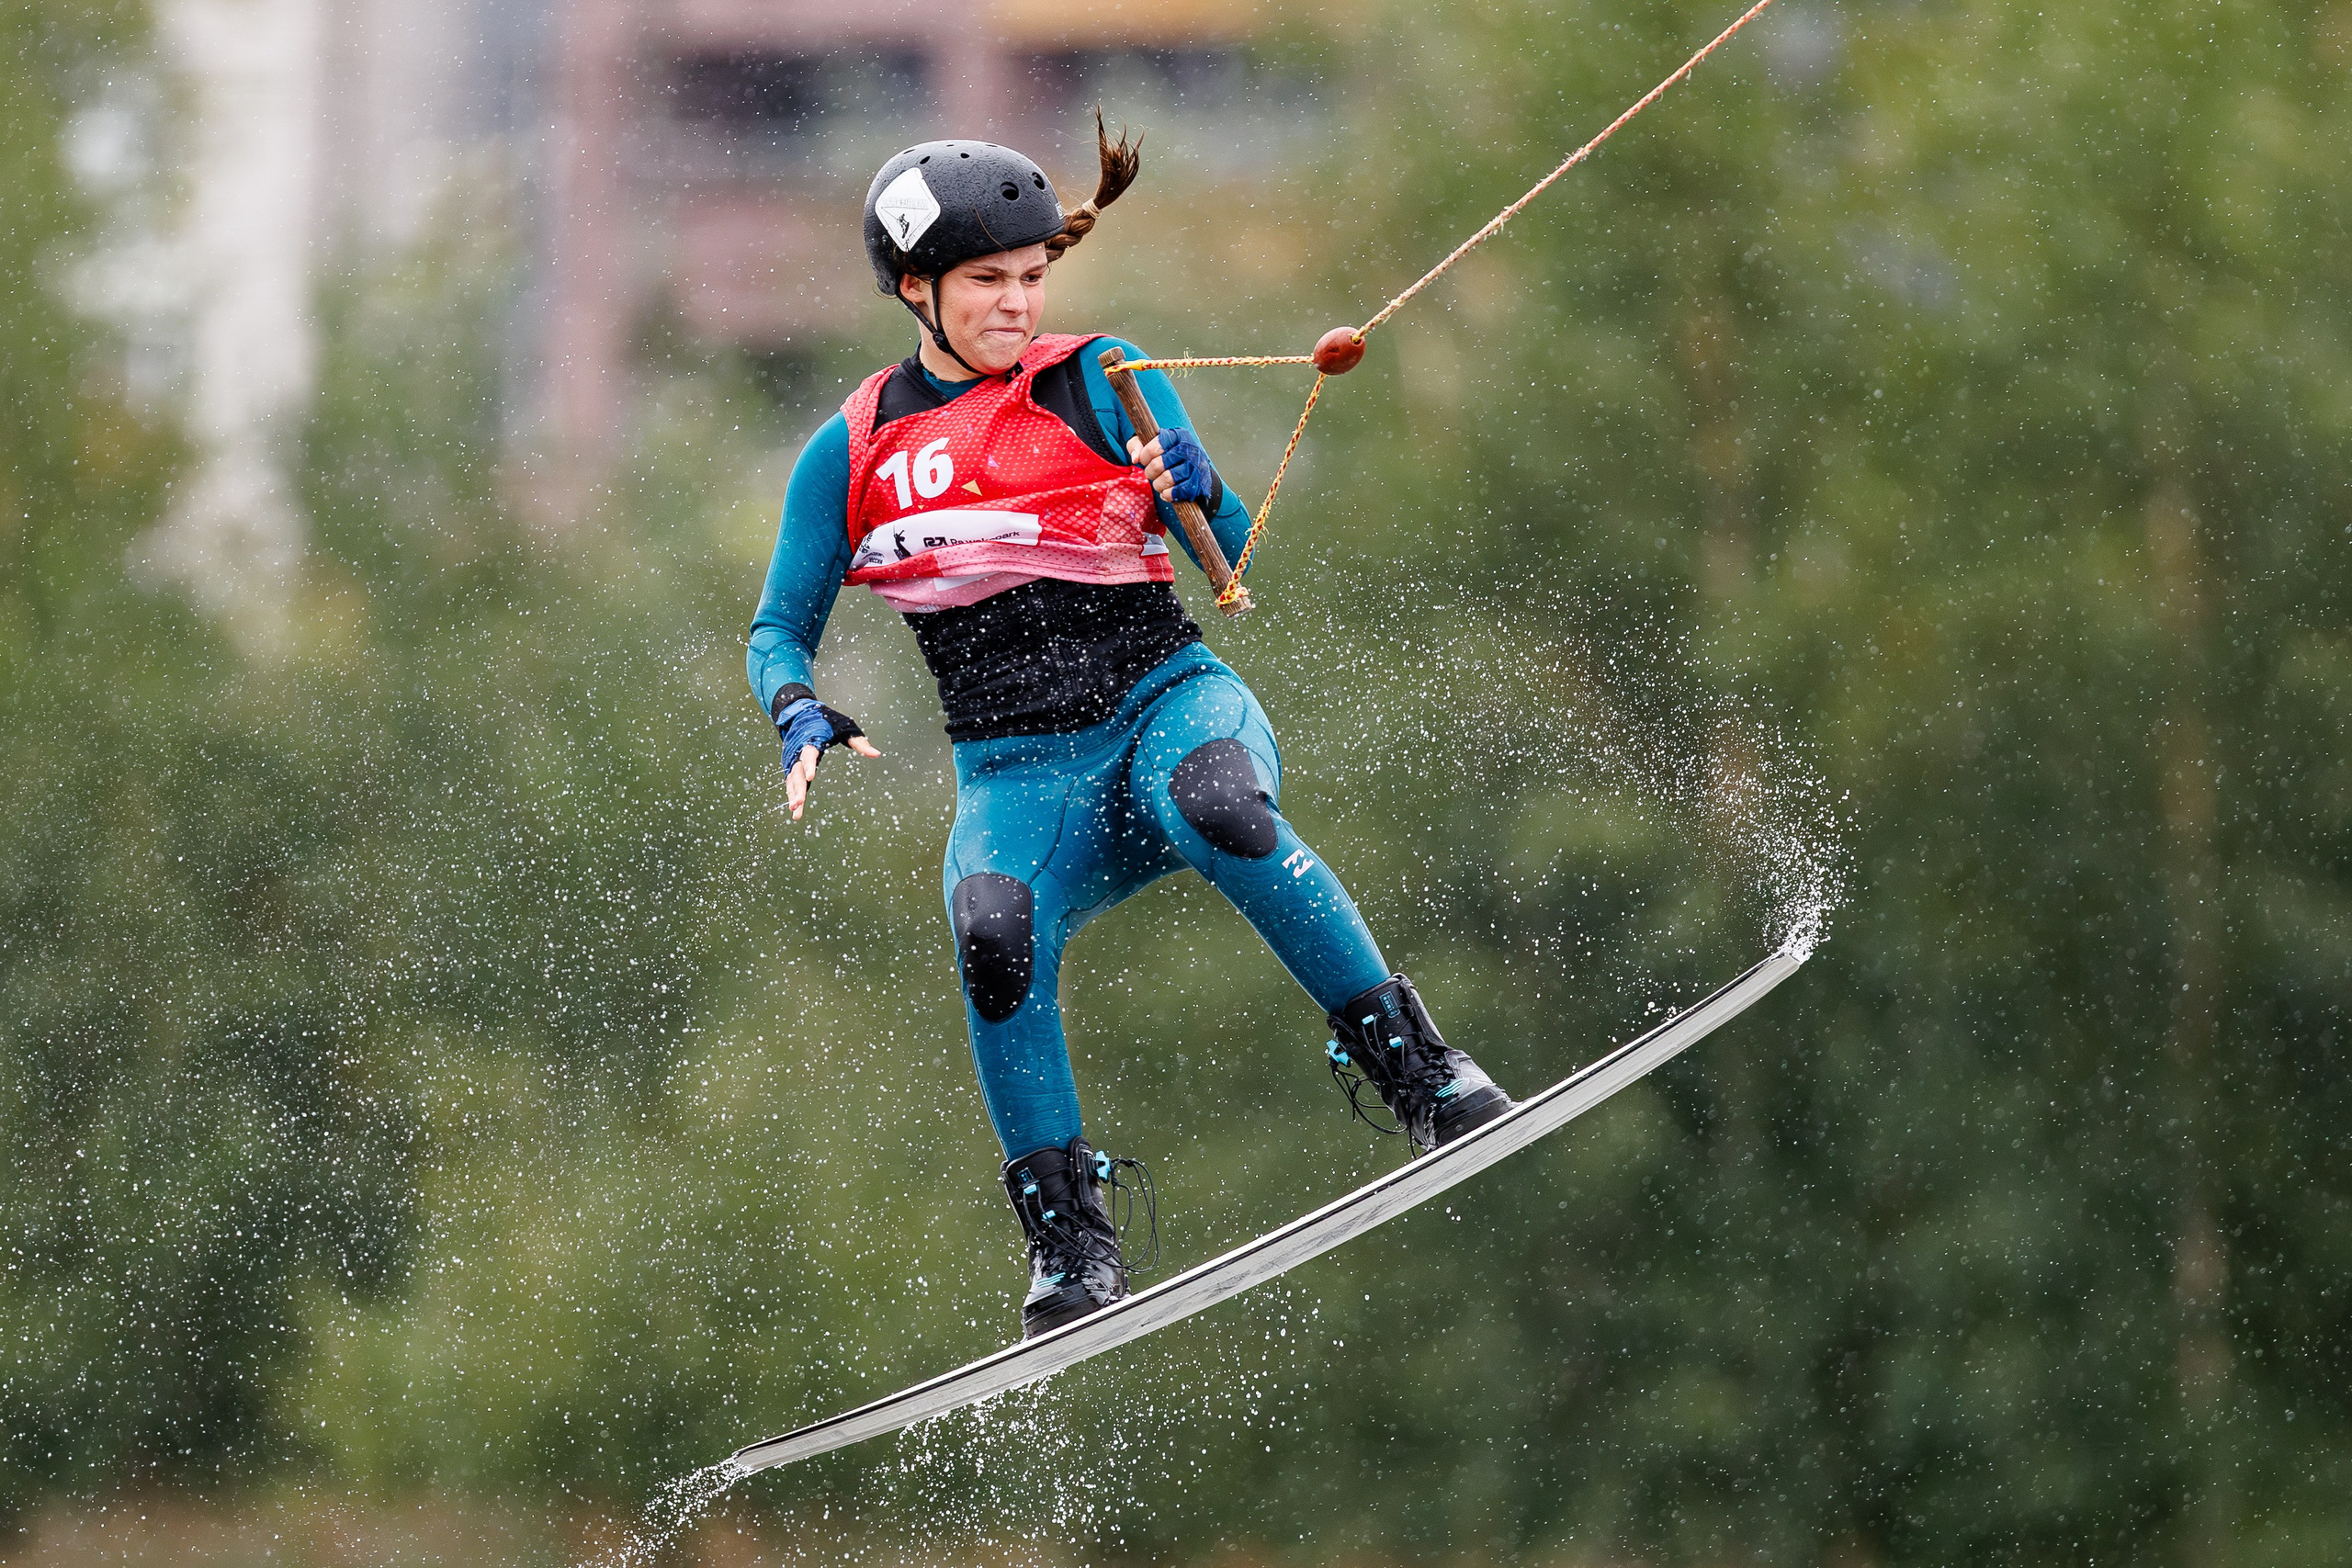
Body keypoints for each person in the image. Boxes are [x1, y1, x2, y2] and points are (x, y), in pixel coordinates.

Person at [747, 119, 1513, 1340]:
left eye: (1032, 276)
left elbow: (1230, 556)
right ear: (914, 290)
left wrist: (1195, 490)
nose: (1017, 302)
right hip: (1018, 777)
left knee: (1222, 808)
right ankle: (1069, 1243)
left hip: (1169, 709)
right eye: (987, 283)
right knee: (991, 934)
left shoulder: (1099, 375)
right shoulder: (851, 451)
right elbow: (776, 629)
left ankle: (1418, 1074)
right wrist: (796, 708)